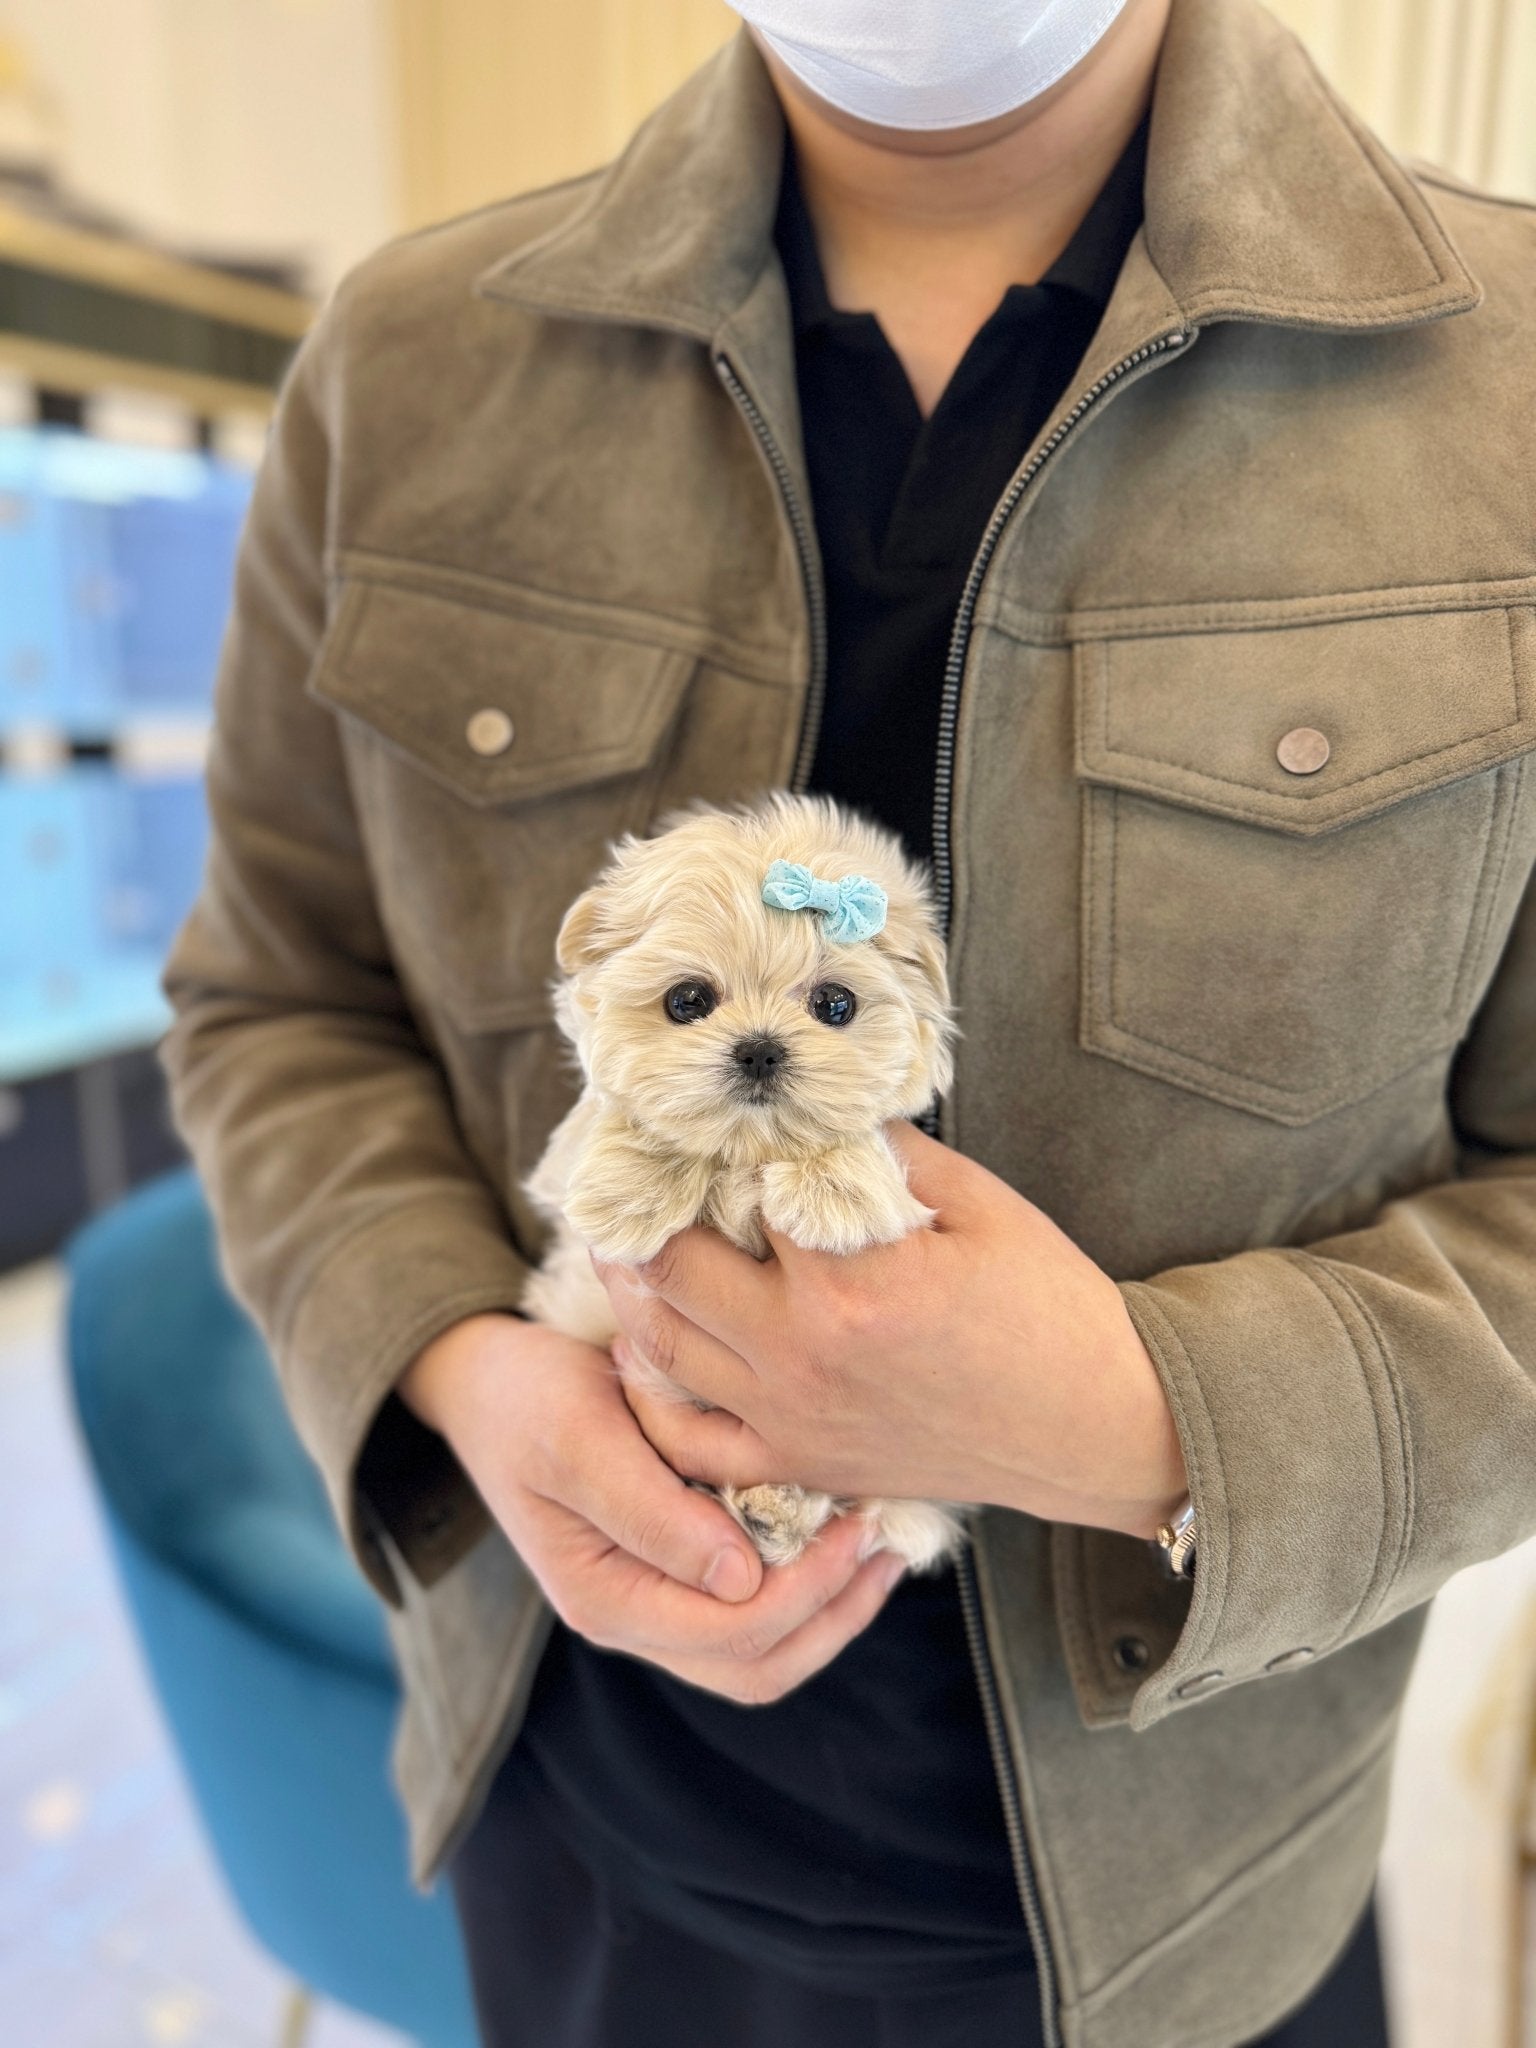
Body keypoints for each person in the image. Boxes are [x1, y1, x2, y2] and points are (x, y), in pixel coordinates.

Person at [160, 0, 1536, 2042]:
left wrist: (1153, 1417)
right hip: (584, 1843)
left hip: (1198, 1920)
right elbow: (278, 992)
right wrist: (457, 1360)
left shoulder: (1501, 380)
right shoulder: (408, 364)